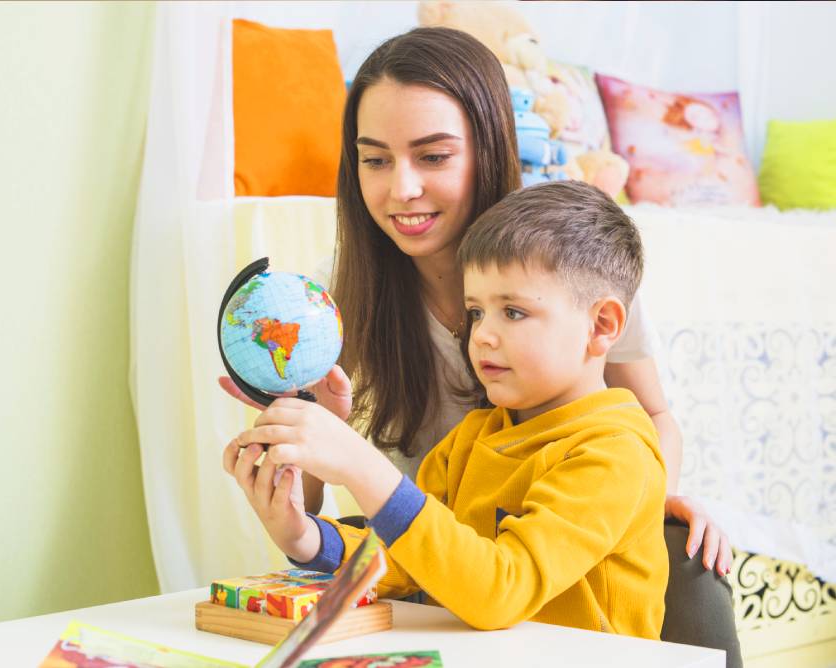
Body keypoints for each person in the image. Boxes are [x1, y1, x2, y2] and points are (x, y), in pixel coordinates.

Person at [218, 26, 741, 662]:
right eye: (375, 159)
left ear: (486, 148)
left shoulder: (571, 264)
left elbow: (635, 431)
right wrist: (302, 527)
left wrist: (639, 496)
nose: (400, 188)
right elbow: (412, 559)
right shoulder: (332, 315)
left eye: (433, 156)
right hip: (446, 610)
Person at [224, 180, 669, 637]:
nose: (483, 336)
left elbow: (500, 591)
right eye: (476, 312)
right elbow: (410, 560)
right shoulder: (474, 437)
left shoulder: (616, 453)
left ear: (602, 325)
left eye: (512, 312)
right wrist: (303, 536)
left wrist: (363, 467)